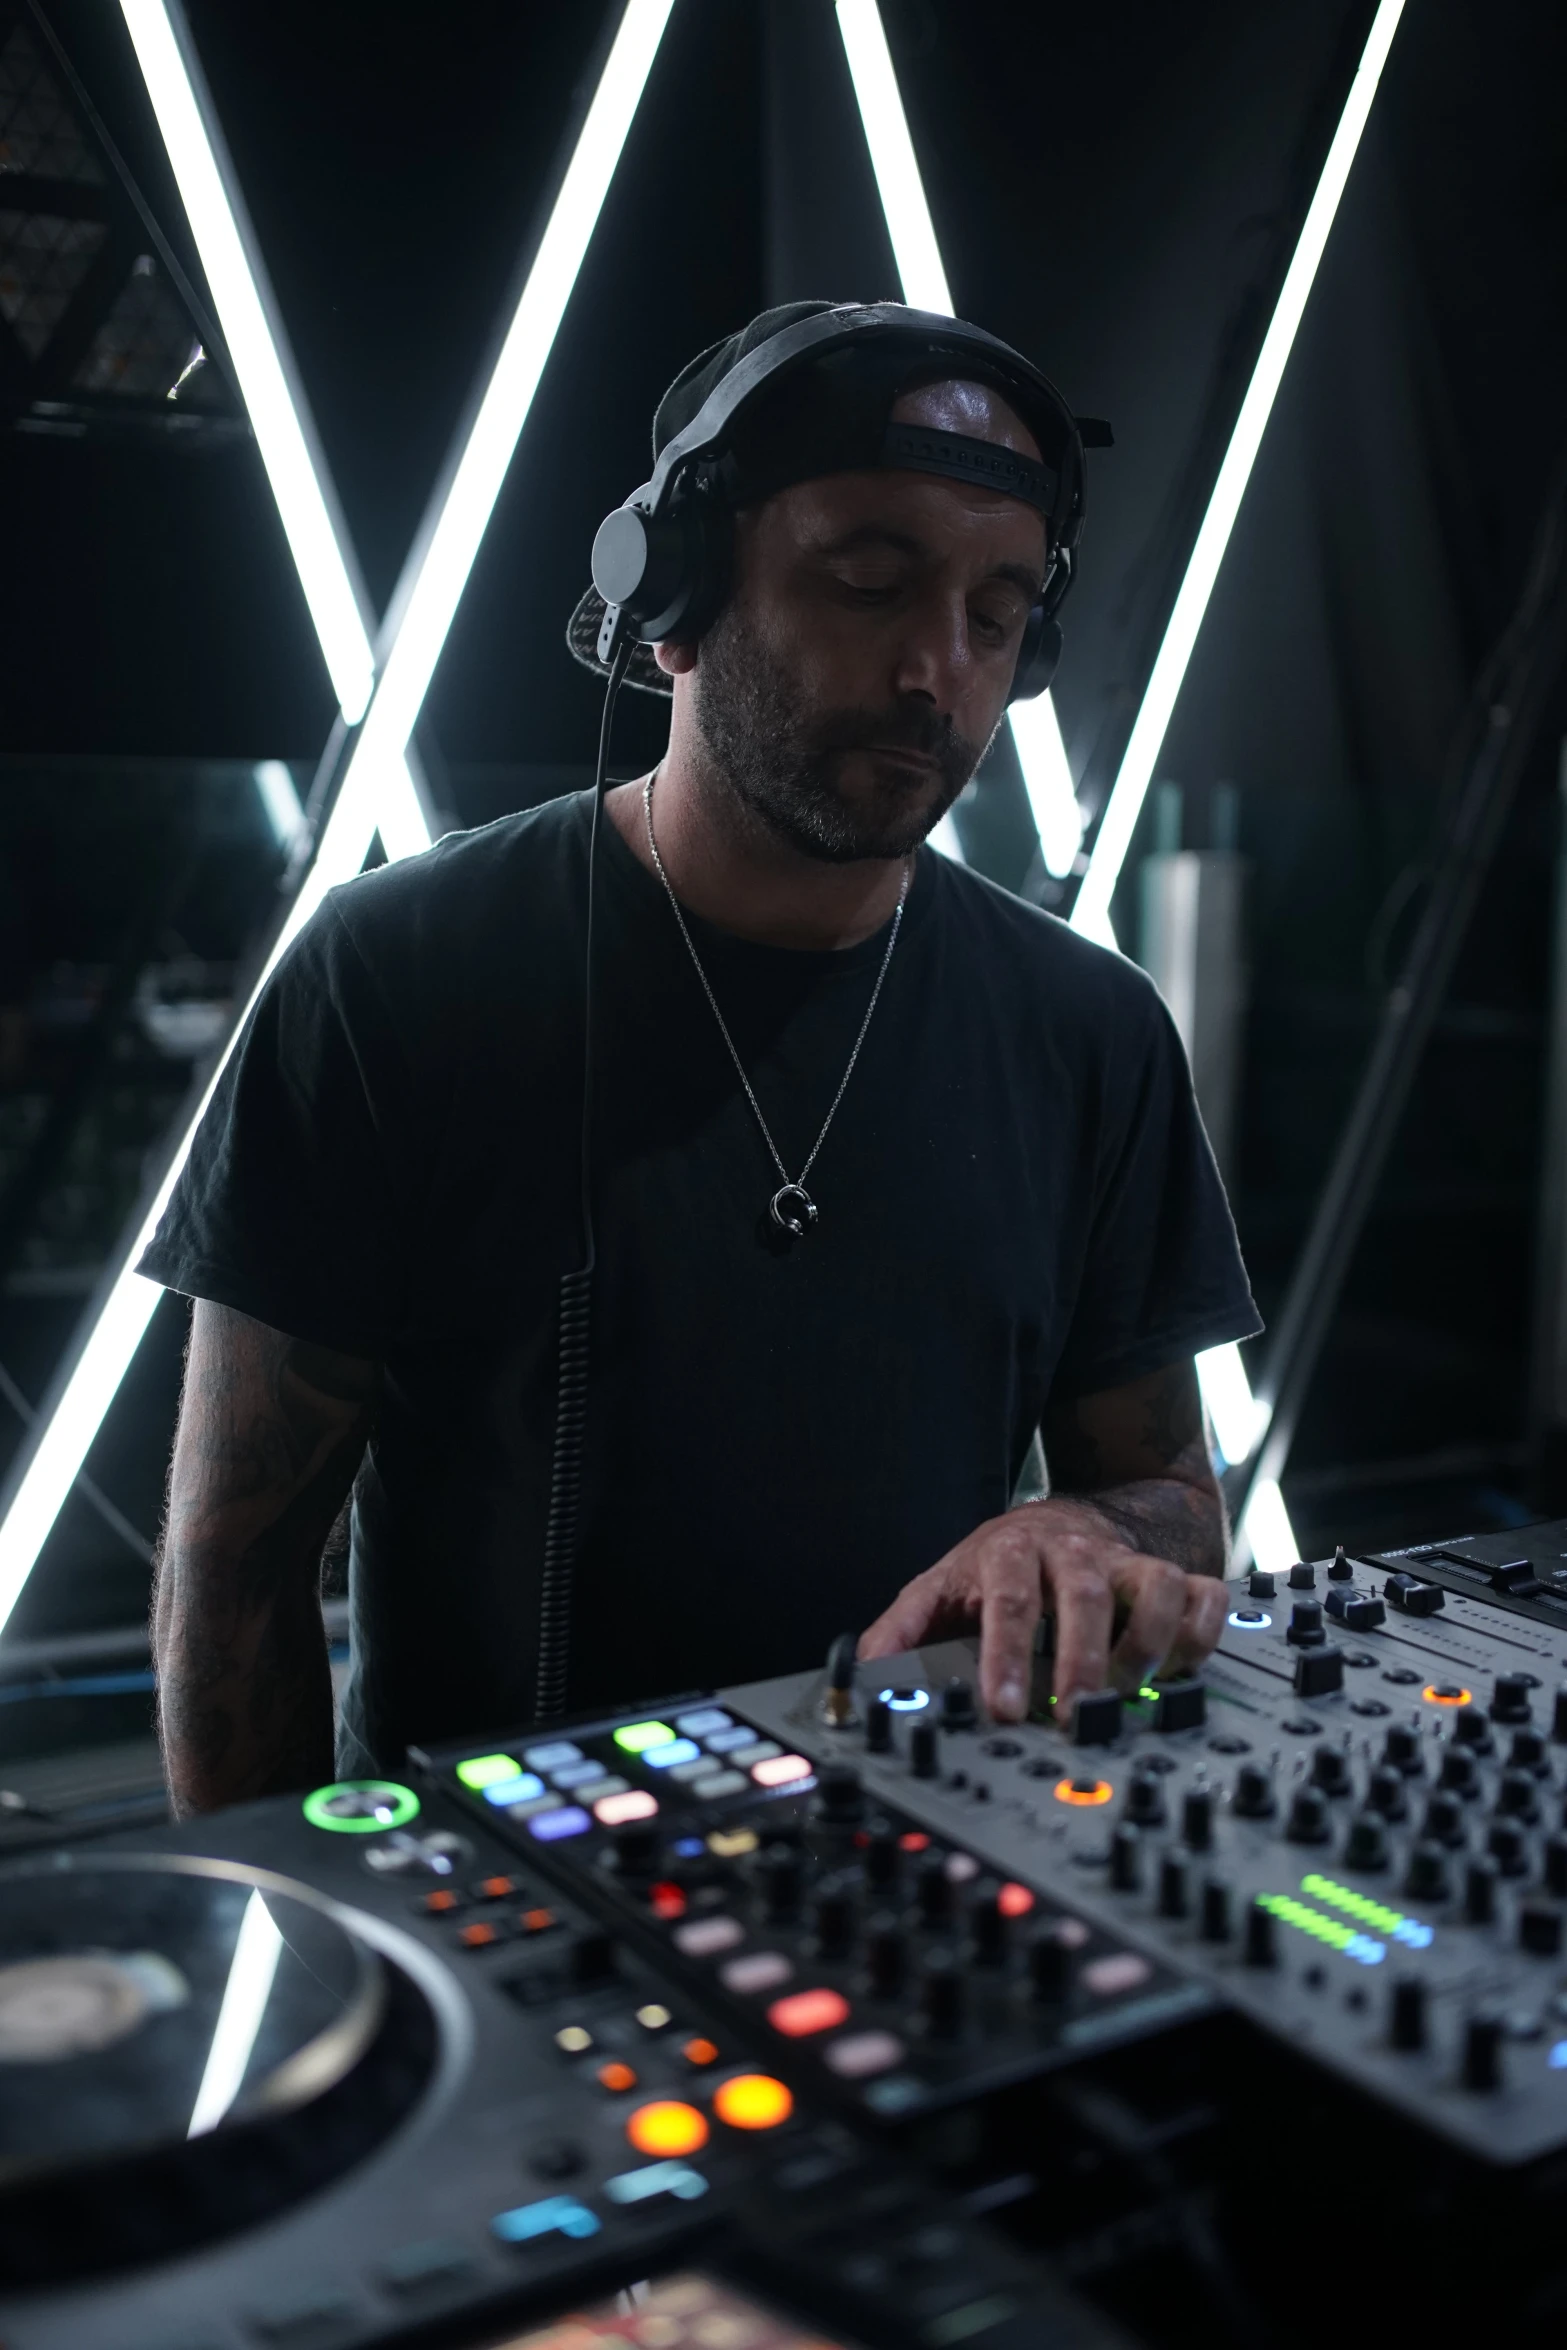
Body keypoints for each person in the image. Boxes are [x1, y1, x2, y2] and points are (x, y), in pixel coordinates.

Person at [141, 302, 1260, 1816]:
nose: (941, 671)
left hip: (912, 1868)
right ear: (669, 597)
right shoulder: (392, 973)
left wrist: (1080, 1534)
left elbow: (1176, 1503)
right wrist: (314, 1967)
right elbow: (235, 1570)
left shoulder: (1093, 1031)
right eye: (870, 581)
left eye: (996, 617)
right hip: (484, 1908)